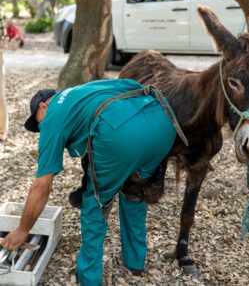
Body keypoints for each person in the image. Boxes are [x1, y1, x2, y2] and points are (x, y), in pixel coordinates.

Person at [0, 79, 179, 285]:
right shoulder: (86, 90)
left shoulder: (52, 117)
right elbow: (134, 86)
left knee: (95, 202)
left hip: (121, 134)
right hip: (163, 122)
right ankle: (134, 263)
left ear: (43, 106)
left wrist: (22, 230)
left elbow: (42, 186)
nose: (41, 129)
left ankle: (89, 278)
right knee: (135, 191)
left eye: (38, 123)